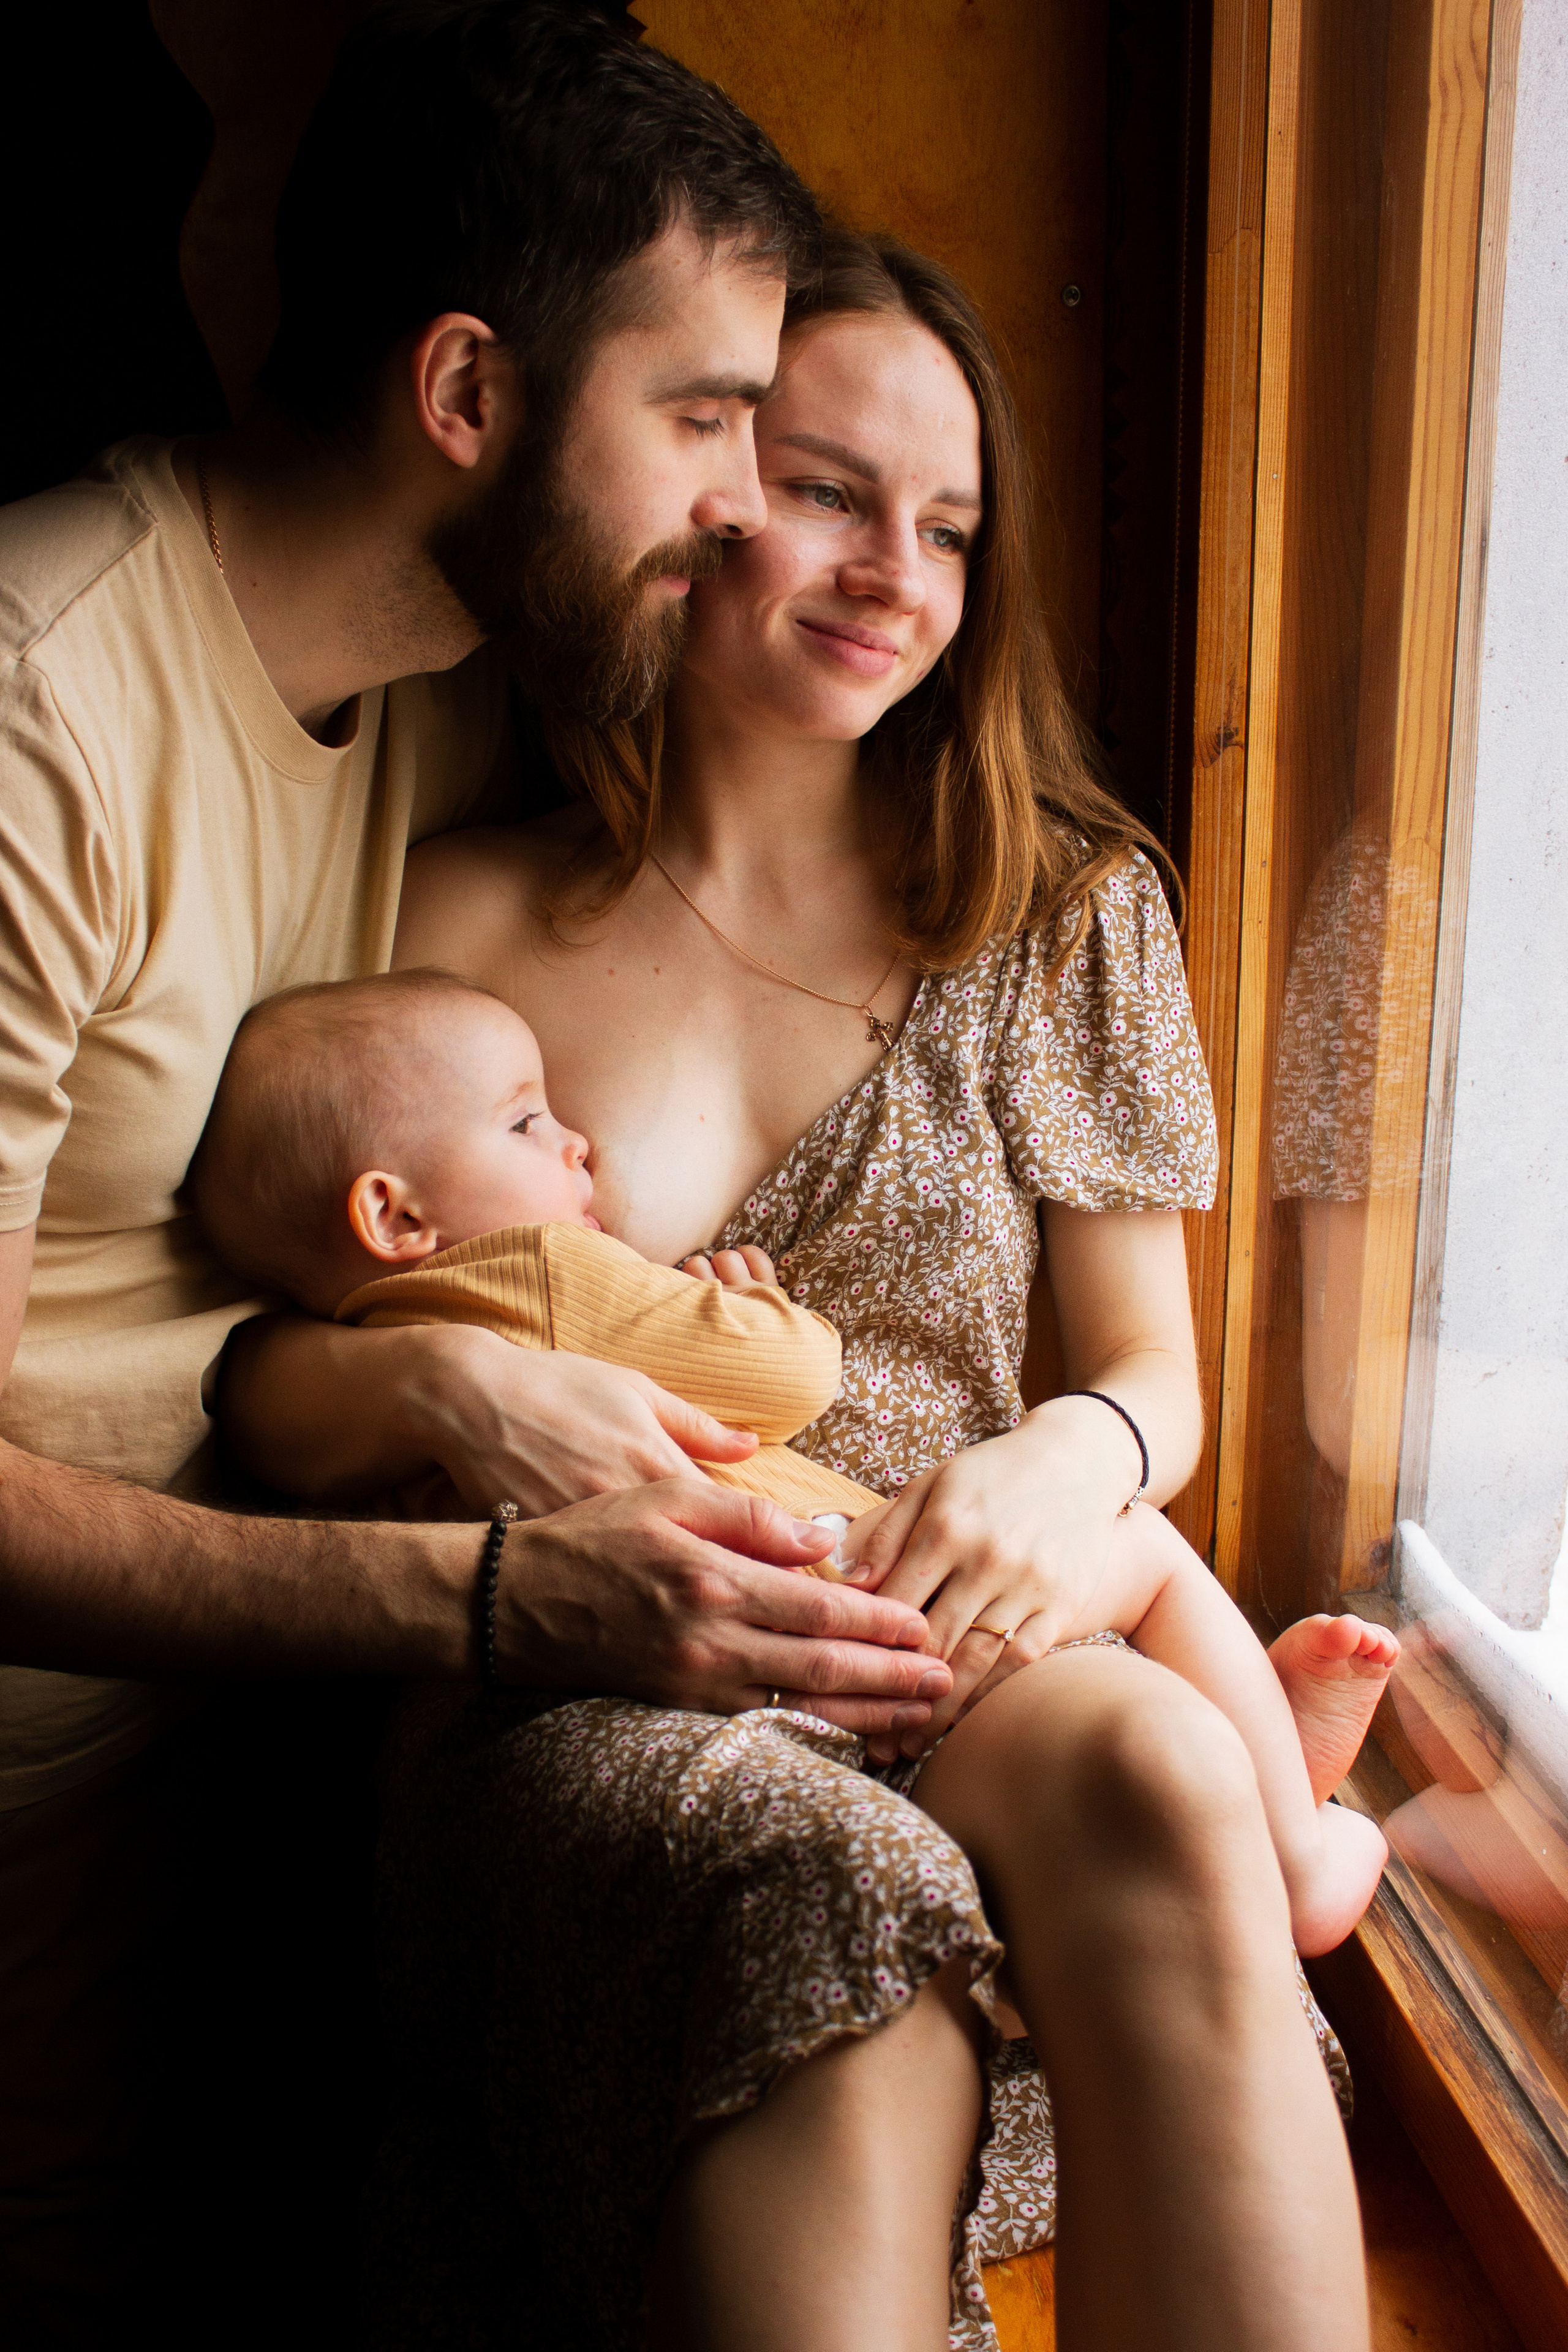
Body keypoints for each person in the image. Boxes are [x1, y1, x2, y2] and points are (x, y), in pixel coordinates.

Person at [224, 232, 1380, 2350]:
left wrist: (1066, 1461)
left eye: (949, 527)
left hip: (941, 1615)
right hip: (585, 1662)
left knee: (1157, 1771)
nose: (896, 577)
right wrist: (440, 1407)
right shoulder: (448, 906)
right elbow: (272, 1367)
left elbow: (1152, 1375)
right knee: (825, 1882)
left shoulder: (1058, 905)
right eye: (835, 494)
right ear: (698, 489)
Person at [1, 10, 957, 2340]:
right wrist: (501, 1590)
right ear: (464, 395)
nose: (749, 503)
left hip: (271, 1812)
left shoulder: (453, 689)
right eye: (708, 419)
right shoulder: (40, 702)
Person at [196, 962, 1395, 1954]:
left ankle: (1243, 1774)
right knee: (1133, 1547)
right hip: (833, 1589)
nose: (579, 1150)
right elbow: (789, 1379)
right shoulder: (540, 1273)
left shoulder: (367, 1343)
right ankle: (1289, 1842)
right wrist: (748, 1306)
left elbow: (276, 1421)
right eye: (526, 1123)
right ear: (396, 1217)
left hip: (660, 1667)